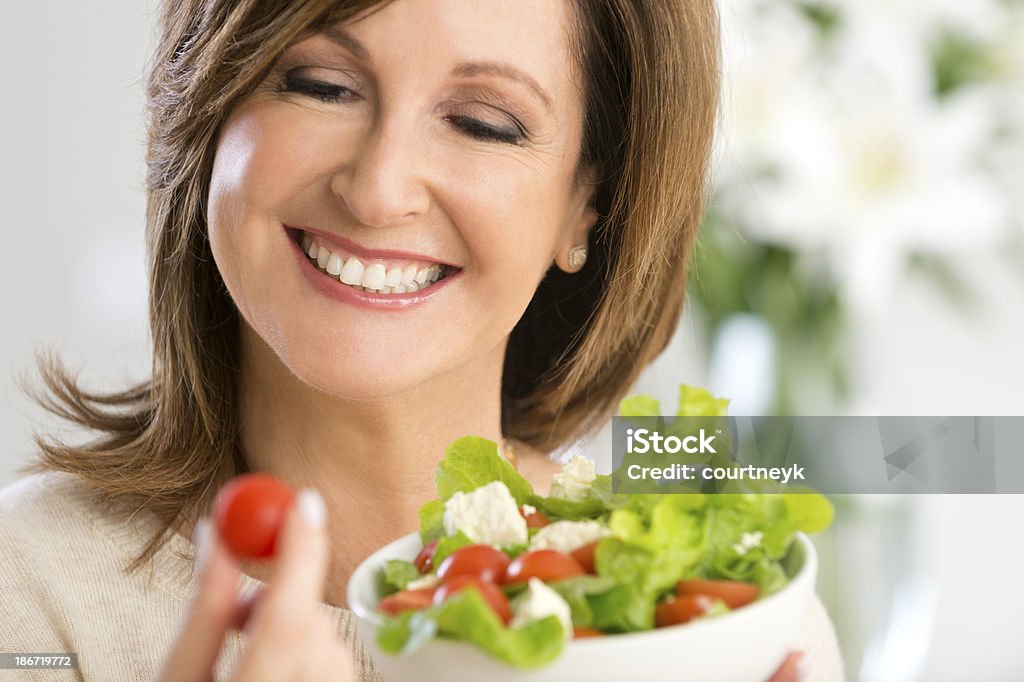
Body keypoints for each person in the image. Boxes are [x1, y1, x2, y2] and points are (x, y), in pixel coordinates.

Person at [0, 0, 843, 680]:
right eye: (321, 84)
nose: (377, 190)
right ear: (211, 104)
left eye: (483, 123)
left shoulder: (726, 618)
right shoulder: (30, 595)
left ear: (589, 204)